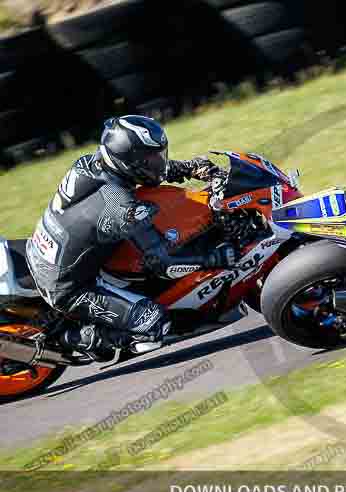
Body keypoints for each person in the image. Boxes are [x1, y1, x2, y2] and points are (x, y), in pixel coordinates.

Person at [26, 115, 236, 362]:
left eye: (159, 156)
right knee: (154, 322)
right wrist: (212, 258)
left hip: (49, 250)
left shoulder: (92, 163)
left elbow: (144, 174)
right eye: (151, 158)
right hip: (70, 287)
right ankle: (77, 337)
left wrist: (190, 167)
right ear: (129, 160)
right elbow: (164, 264)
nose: (158, 162)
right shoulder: (121, 208)